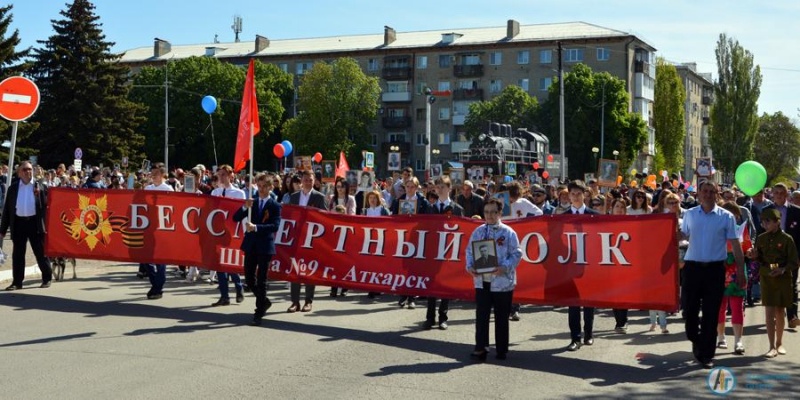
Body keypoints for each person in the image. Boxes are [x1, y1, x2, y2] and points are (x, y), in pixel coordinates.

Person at [681, 180, 745, 369]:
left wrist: (741, 271)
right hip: (692, 269)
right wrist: (674, 235)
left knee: (711, 313)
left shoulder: (726, 217)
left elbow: (736, 245)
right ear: (699, 193)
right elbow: (683, 236)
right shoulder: (690, 214)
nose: (708, 194)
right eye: (705, 191)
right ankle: (696, 339)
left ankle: (707, 355)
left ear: (716, 194)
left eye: (712, 192)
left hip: (715, 270)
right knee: (689, 311)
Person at [466, 197, 522, 361]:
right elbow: (470, 252)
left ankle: (501, 349)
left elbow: (517, 253)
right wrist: (470, 267)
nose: (489, 215)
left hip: (502, 282)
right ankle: (481, 347)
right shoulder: (478, 231)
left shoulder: (508, 232)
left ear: (499, 213)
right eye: (486, 212)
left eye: (493, 212)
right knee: (481, 315)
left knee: (501, 316)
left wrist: (504, 267)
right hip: (482, 281)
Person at [233, 173, 282, 326]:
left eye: (264, 187)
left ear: (270, 187)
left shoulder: (274, 205)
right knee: (249, 278)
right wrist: (243, 207)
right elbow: (235, 218)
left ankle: (258, 312)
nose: (261, 190)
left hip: (265, 246)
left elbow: (275, 226)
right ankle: (264, 301)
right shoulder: (251, 202)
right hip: (251, 245)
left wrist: (256, 227)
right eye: (259, 186)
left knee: (262, 280)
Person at [752, 208, 799, 357]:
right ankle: (771, 346)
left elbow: (795, 262)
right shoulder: (761, 238)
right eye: (762, 221)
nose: (764, 224)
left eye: (768, 221)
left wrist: (783, 269)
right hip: (767, 277)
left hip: (783, 278)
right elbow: (759, 258)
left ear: (777, 222)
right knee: (768, 312)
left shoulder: (787, 239)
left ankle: (779, 343)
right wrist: (753, 255)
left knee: (780, 311)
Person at [0, 161, 52, 290]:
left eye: (29, 169)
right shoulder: (13, 188)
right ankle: (17, 282)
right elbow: (7, 209)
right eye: (24, 170)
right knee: (18, 254)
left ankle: (47, 278)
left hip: (35, 223)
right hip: (18, 223)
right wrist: (2, 230)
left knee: (40, 252)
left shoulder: (40, 186)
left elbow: (49, 207)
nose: (28, 171)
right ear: (19, 173)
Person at [563, 181, 600, 351]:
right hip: (570, 264)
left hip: (590, 264)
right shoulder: (562, 217)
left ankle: (589, 333)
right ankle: (575, 338)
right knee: (573, 302)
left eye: (579, 193)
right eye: (573, 194)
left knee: (589, 302)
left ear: (585, 194)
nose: (576, 196)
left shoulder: (594, 215)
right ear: (569, 195)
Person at [424, 176, 464, 330]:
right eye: (437, 186)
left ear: (449, 188)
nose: (439, 189)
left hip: (450, 251)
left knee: (445, 285)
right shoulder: (430, 208)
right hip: (433, 250)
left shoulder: (457, 209)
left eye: (443, 186)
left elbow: (462, 231)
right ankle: (429, 317)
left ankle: (443, 317)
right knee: (431, 285)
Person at [288, 170, 328, 312]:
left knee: (310, 270)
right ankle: (295, 302)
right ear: (301, 181)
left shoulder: (319, 197)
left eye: (310, 180)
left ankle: (308, 301)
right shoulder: (293, 197)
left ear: (314, 181)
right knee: (295, 269)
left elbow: (325, 218)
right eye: (305, 179)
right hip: (297, 237)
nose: (308, 182)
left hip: (312, 239)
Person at [716, 201, 751, 354]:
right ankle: (721, 337)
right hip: (719, 270)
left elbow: (747, 247)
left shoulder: (741, 230)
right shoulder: (715, 230)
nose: (731, 218)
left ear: (737, 217)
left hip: (737, 270)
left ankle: (738, 341)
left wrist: (750, 251)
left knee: (737, 307)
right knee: (719, 307)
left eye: (734, 215)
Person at [763, 183, 800, 329]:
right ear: (772, 194)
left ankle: (792, 316)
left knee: (791, 283)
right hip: (773, 257)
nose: (778, 195)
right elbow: (762, 233)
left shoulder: (796, 211)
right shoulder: (767, 210)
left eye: (781, 193)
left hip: (792, 255)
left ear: (787, 194)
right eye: (776, 192)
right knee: (774, 282)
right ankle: (776, 314)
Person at [210, 165, 247, 306]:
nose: (221, 177)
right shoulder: (215, 192)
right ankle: (224, 295)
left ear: (231, 175)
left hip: (233, 232)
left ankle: (238, 286)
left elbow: (242, 213)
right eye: (219, 174)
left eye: (224, 174)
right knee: (219, 264)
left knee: (229, 263)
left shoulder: (238, 193)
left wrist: (244, 232)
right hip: (218, 232)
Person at [390, 177, 430, 309]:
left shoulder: (423, 202)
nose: (410, 189)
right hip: (402, 237)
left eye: (412, 187)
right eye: (408, 186)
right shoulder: (398, 201)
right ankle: (403, 295)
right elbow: (393, 218)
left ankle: (411, 297)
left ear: (417, 187)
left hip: (417, 237)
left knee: (414, 267)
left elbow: (428, 219)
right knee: (403, 267)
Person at [140, 163, 174, 299]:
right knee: (146, 259)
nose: (153, 175)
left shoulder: (168, 189)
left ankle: (158, 288)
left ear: (163, 174)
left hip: (162, 229)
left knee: (160, 261)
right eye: (152, 173)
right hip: (148, 227)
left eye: (156, 173)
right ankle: (155, 284)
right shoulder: (148, 188)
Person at [609, 198, 630, 333]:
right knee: (613, 293)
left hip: (625, 262)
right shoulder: (606, 223)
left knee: (623, 292)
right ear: (612, 209)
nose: (619, 209)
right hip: (610, 262)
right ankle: (618, 320)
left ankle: (622, 322)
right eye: (617, 206)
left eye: (622, 207)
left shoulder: (629, 223)